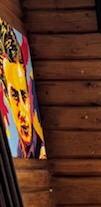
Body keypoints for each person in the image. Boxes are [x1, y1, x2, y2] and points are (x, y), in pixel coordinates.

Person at [0, 23, 46, 159]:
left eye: (24, 96)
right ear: (6, 96)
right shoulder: (18, 153)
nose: (22, 112)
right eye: (15, 96)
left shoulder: (41, 152)